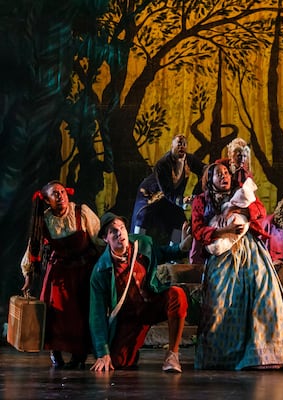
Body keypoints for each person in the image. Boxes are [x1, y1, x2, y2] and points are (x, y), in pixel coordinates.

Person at [191, 162, 283, 370]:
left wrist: (238, 208)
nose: (224, 176)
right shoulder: (201, 200)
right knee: (220, 304)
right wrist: (224, 231)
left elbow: (260, 210)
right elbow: (198, 230)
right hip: (222, 254)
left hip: (250, 250)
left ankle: (268, 356)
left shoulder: (240, 193)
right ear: (209, 179)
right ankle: (222, 359)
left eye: (226, 173)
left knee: (264, 295)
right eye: (218, 174)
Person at [89, 213, 192, 373]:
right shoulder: (101, 271)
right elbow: (97, 314)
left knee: (177, 295)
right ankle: (131, 349)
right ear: (105, 238)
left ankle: (172, 354)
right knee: (117, 362)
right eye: (113, 231)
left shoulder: (142, 244)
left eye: (121, 228)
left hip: (153, 304)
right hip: (130, 317)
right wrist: (103, 352)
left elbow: (162, 252)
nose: (119, 233)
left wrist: (181, 248)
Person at [20, 181, 101, 369]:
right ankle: (55, 351)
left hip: (83, 271)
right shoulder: (45, 220)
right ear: (47, 200)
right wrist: (28, 276)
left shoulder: (81, 212)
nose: (60, 196)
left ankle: (79, 354)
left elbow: (99, 238)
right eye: (55, 194)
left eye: (62, 192)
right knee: (55, 315)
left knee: (81, 313)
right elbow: (33, 249)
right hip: (59, 272)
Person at [131, 134, 205, 244]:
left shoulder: (189, 159)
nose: (181, 147)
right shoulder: (162, 164)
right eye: (179, 144)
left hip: (171, 198)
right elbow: (167, 191)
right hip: (150, 195)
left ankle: (173, 252)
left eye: (184, 144)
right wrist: (182, 201)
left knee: (179, 223)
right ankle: (135, 249)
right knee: (142, 218)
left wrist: (214, 169)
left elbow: (203, 168)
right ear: (172, 146)